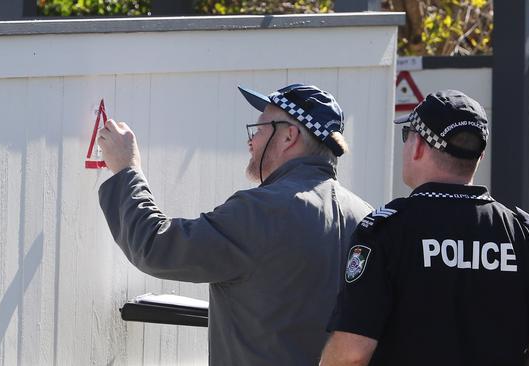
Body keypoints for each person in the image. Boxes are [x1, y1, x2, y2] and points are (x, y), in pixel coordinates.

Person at [97, 83, 373, 365]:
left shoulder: (261, 211)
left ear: (289, 135)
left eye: (260, 129)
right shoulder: (367, 218)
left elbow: (154, 246)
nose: (251, 142)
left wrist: (126, 170)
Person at [320, 90, 529, 366]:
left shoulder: (385, 233)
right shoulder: (528, 237)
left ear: (417, 146)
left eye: (407, 136)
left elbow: (351, 355)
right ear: (480, 155)